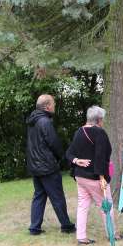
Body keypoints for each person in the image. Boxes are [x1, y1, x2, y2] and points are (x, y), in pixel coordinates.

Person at [66, 106, 120, 245]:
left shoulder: (79, 131)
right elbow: (101, 156)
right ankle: (112, 235)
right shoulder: (99, 133)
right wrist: (102, 177)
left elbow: (69, 153)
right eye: (102, 119)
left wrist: (76, 161)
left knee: (83, 205)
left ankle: (81, 237)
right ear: (99, 120)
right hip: (94, 177)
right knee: (106, 206)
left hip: (80, 176)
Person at [26, 94, 76, 236]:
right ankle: (66, 225)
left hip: (35, 166)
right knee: (57, 196)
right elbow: (54, 143)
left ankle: (34, 228)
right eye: (53, 104)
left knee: (39, 195)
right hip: (47, 166)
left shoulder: (32, 121)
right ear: (47, 106)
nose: (54, 106)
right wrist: (63, 158)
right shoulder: (44, 122)